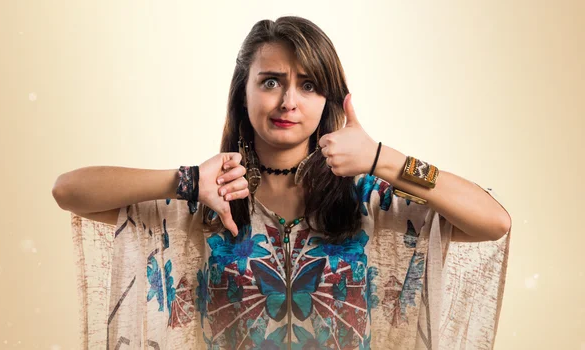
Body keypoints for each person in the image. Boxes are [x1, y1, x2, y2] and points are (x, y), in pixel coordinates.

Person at [53, 16, 512, 350]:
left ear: (328, 98)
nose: (289, 101)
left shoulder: (368, 198)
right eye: (271, 81)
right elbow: (68, 191)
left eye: (309, 85)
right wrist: (187, 181)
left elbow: (494, 220)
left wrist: (381, 158)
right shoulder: (211, 197)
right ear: (243, 91)